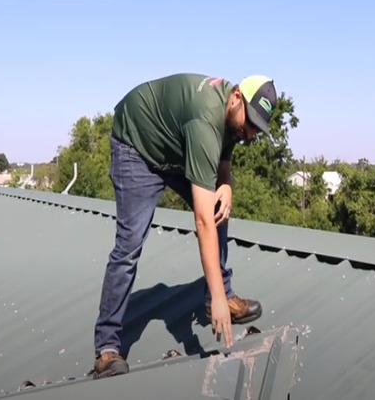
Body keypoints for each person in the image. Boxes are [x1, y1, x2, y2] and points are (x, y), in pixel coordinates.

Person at [92, 73, 278, 379]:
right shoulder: (205, 119)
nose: (250, 132)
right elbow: (202, 222)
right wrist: (216, 298)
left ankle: (224, 294)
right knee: (129, 246)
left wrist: (227, 185)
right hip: (136, 147)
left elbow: (225, 151)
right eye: (250, 123)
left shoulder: (233, 118)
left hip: (173, 149)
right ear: (235, 98)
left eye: (258, 128)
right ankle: (106, 348)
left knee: (219, 206)